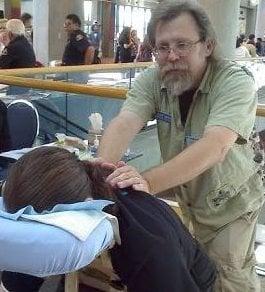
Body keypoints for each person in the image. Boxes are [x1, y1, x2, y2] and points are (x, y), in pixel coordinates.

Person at [98, 1, 265, 291]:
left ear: (208, 46)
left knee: (228, 276)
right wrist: (101, 172)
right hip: (189, 197)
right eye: (162, 47)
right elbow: (126, 120)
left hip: (230, 204)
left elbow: (216, 145)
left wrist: (147, 181)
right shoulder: (154, 79)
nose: (171, 56)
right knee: (197, 270)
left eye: (182, 45)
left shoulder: (234, 82)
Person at [1, 146, 216, 292]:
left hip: (186, 279)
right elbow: (22, 270)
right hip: (106, 270)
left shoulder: (147, 245)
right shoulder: (52, 213)